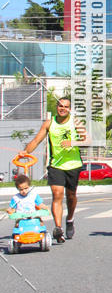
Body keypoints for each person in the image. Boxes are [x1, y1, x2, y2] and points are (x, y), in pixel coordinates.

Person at [20, 97, 84, 243]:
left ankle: (70, 219)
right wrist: (26, 152)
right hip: (56, 165)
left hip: (73, 165)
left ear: (70, 109)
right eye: (60, 106)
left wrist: (72, 142)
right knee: (57, 194)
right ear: (57, 107)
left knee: (71, 196)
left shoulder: (76, 122)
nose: (63, 108)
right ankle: (58, 228)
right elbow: (36, 140)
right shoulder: (49, 123)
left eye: (66, 106)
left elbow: (87, 140)